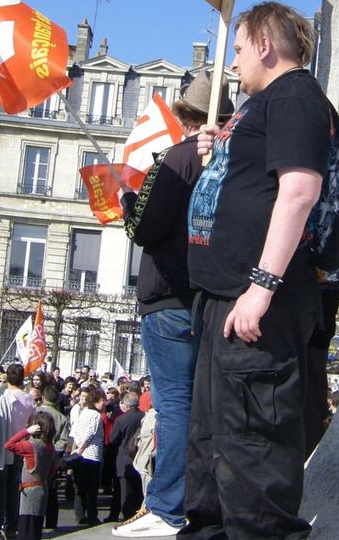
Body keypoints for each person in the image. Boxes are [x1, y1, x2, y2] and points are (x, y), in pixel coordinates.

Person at [183, 1, 334, 539]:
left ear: (265, 46)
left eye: (240, 49)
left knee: (253, 459)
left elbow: (299, 192)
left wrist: (262, 286)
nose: (236, 63)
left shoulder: (294, 97)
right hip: (225, 296)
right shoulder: (261, 106)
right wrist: (221, 151)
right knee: (210, 456)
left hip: (256, 304)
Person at [113, 71, 233, 538]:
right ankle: (193, 497)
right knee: (200, 402)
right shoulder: (228, 158)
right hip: (207, 295)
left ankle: (167, 503)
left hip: (167, 298)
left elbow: (144, 228)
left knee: (174, 403)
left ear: (184, 116)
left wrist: (127, 200)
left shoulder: (180, 157)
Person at [0, 363, 37, 538]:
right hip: (18, 447)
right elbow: (32, 424)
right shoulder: (29, 399)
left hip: (0, 447)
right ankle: (11, 525)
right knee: (13, 489)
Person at [5, 411, 57, 540]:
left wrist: (26, 431)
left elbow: (9, 445)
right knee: (35, 530)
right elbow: (51, 470)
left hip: (30, 491)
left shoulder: (31, 446)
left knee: (26, 531)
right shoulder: (50, 446)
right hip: (42, 488)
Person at [68, 386, 105, 526]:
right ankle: (91, 516)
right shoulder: (95, 415)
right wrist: (82, 448)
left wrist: (78, 446)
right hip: (92, 455)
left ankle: (80, 515)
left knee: (80, 487)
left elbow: (76, 430)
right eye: (102, 400)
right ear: (95, 401)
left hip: (81, 455)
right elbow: (90, 433)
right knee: (92, 489)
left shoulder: (83, 412)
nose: (104, 403)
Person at [108, 392, 145, 524]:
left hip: (124, 457)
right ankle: (138, 513)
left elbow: (112, 439)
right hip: (140, 457)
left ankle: (127, 516)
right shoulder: (144, 417)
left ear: (126, 405)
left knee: (124, 491)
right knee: (138, 490)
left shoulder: (121, 419)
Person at [36, 387, 69, 532]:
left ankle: (35, 520)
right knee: (51, 491)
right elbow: (63, 440)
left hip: (34, 454)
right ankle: (51, 522)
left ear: (43, 398)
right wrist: (53, 449)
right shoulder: (61, 417)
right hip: (52, 457)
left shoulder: (35, 412)